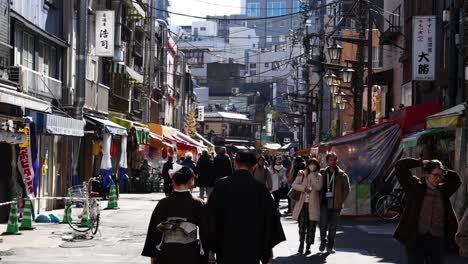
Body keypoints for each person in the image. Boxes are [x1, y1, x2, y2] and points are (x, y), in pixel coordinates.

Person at [207, 151, 286, 264]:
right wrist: (267, 253)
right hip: (252, 246)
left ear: (234, 164)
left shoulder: (221, 185)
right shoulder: (261, 190)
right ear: (253, 167)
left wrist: (211, 249)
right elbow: (270, 220)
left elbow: (210, 216)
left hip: (225, 245)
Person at [394, 158, 461, 263]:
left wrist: (444, 169)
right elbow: (400, 166)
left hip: (437, 239)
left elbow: (456, 180)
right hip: (416, 238)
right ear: (426, 174)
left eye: (441, 175)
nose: (438, 178)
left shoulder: (443, 190)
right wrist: (419, 162)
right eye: (435, 175)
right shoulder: (415, 186)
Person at [142, 167, 208, 264]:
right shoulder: (198, 204)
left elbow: (154, 231)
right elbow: (206, 231)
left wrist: (153, 254)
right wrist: (206, 254)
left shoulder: (163, 203)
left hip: (167, 253)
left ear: (174, 182)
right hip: (190, 253)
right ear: (191, 181)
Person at [319, 152, 350, 253]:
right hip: (324, 203)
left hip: (336, 205)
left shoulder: (342, 175)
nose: (332, 162)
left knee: (333, 226)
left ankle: (330, 245)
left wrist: (340, 200)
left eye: (334, 160)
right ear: (327, 161)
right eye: (330, 160)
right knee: (323, 225)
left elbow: (346, 189)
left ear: (337, 161)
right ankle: (323, 241)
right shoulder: (322, 173)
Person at [292, 159, 323, 255]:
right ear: (308, 165)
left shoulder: (319, 176)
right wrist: (304, 188)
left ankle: (308, 246)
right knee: (302, 226)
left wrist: (313, 175)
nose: (312, 166)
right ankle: (301, 243)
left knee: (311, 227)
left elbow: (318, 187)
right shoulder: (302, 173)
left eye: (314, 164)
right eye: (311, 164)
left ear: (317, 166)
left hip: (313, 205)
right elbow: (294, 185)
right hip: (302, 204)